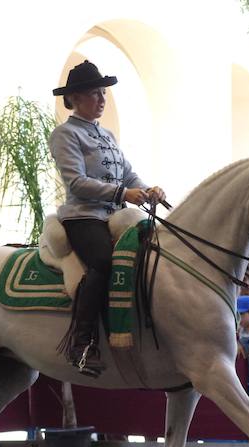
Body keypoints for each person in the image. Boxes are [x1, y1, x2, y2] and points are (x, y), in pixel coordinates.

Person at [49, 60, 165, 376]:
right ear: (74, 99)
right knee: (103, 262)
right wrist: (122, 194)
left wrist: (147, 188)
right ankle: (81, 343)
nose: (101, 99)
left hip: (113, 214)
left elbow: (128, 174)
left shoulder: (108, 134)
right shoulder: (65, 134)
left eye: (103, 93)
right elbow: (76, 182)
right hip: (83, 216)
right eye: (94, 94)